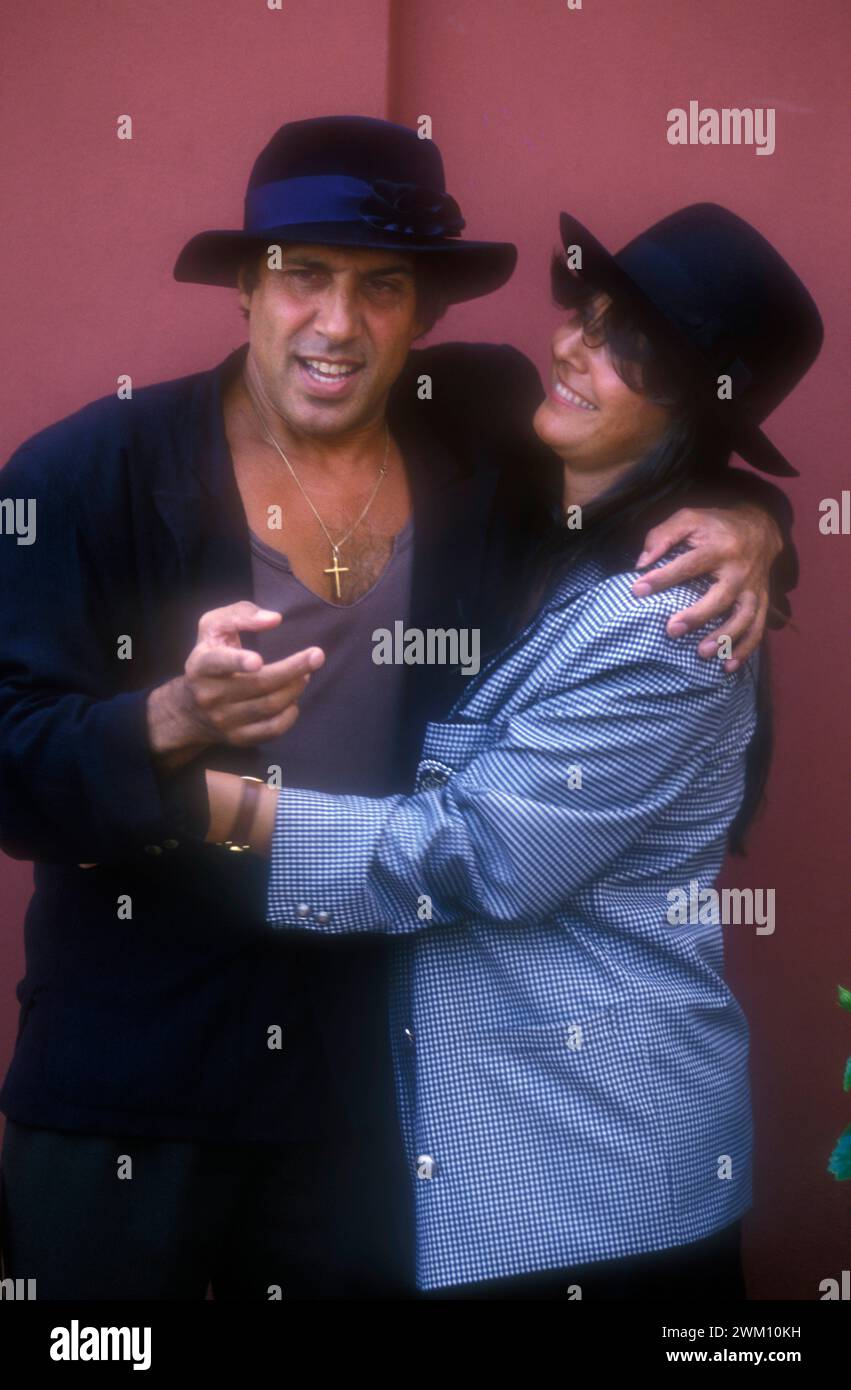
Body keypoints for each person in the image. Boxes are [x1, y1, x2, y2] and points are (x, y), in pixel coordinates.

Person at [0, 116, 791, 1300]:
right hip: (133, 1073)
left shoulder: (481, 434)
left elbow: (649, 486)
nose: (336, 323)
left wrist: (752, 527)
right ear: (244, 289)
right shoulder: (80, 475)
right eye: (301, 275)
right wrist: (162, 720)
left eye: (381, 288)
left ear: (424, 315)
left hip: (374, 1085)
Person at [202, 202, 823, 1298]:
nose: (575, 346)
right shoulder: (542, 512)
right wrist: (752, 515)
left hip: (593, 1183)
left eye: (630, 350)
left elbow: (478, 854)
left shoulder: (662, 625)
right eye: (583, 315)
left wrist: (212, 806)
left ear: (690, 417)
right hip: (514, 1163)